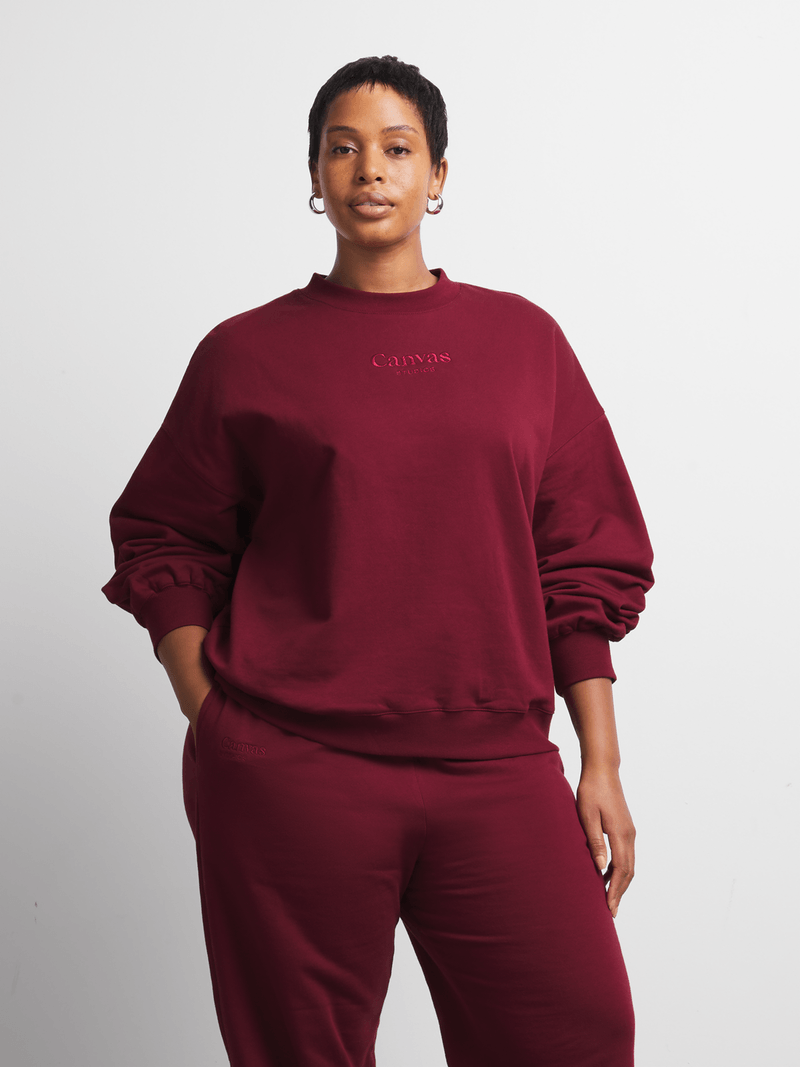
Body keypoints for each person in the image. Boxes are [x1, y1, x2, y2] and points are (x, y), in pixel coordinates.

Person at [101, 54, 655, 1067]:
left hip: (495, 760)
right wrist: (211, 713)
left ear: (437, 175)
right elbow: (165, 532)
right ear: (313, 175)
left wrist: (600, 760)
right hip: (293, 770)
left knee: (577, 1033)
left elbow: (580, 555)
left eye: (397, 149)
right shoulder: (245, 354)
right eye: (342, 149)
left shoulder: (522, 342)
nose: (369, 170)